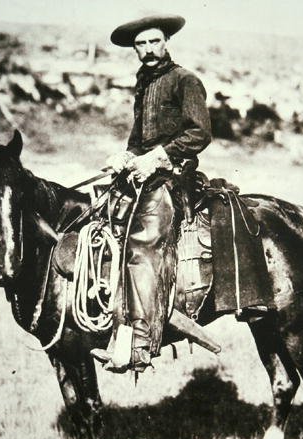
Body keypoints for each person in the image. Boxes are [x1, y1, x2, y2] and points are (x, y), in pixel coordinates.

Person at [91, 14, 212, 371]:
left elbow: (199, 133)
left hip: (174, 177)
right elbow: (138, 139)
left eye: (153, 41)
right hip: (145, 174)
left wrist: (158, 157)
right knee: (100, 218)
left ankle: (141, 342)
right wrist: (126, 157)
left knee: (143, 241)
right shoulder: (144, 84)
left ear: (166, 42)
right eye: (140, 44)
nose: (147, 49)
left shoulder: (185, 80)